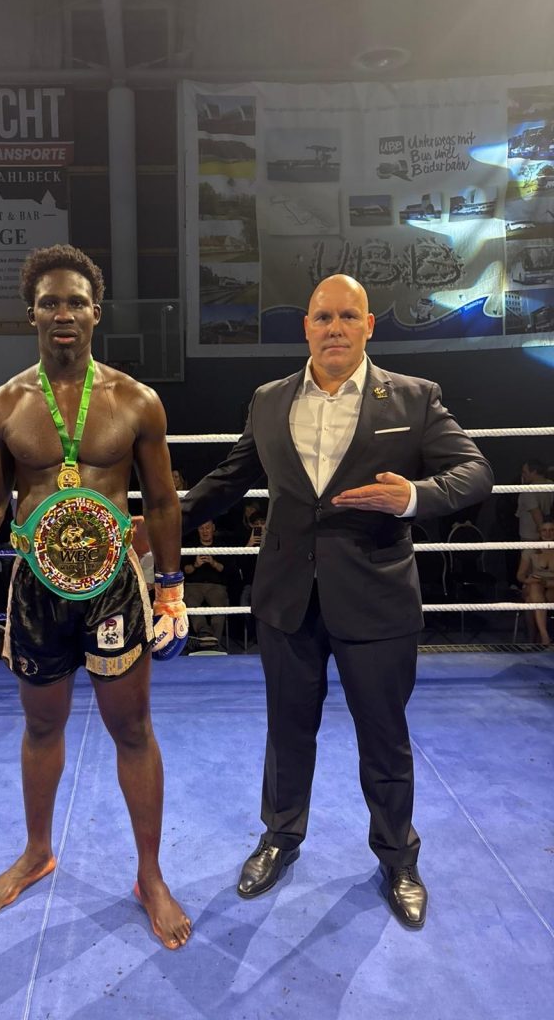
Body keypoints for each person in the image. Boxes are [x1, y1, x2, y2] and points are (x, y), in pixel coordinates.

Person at [0, 245, 191, 949]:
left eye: (76, 302)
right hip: (36, 591)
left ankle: (150, 875)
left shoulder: (136, 400)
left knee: (132, 729)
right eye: (50, 302)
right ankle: (37, 852)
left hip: (114, 588)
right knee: (40, 727)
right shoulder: (4, 405)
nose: (64, 313)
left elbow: (161, 502)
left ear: (96, 312)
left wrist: (172, 591)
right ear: (31, 313)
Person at [181, 273, 494, 929]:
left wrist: (413, 497)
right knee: (287, 731)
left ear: (369, 325)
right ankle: (279, 838)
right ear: (306, 327)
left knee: (385, 736)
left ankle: (398, 858)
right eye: (323, 317)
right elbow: (229, 480)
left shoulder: (413, 397)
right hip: (287, 597)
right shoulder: (269, 399)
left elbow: (474, 473)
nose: (334, 328)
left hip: (376, 598)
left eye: (348, 316)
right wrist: (160, 523)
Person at [182, 519, 234, 650]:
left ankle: (212, 643)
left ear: (213, 528)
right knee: (190, 601)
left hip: (216, 585)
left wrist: (213, 562)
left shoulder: (221, 545)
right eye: (201, 528)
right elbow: (185, 570)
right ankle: (205, 633)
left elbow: (227, 570)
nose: (205, 531)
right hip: (194, 585)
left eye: (207, 528)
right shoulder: (190, 545)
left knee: (220, 605)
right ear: (197, 530)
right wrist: (196, 564)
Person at [516, 517, 554, 647]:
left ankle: (533, 639)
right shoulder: (531, 550)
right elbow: (520, 575)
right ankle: (544, 636)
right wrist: (529, 580)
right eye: (544, 530)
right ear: (539, 532)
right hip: (534, 585)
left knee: (530, 601)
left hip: (551, 587)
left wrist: (547, 583)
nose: (547, 533)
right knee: (534, 587)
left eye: (551, 530)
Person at [516, 459, 553, 541]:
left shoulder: (528, 491)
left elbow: (536, 514)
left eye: (525, 472)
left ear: (534, 472)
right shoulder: (550, 484)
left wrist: (545, 536)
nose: (523, 475)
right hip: (546, 533)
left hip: (531, 537)